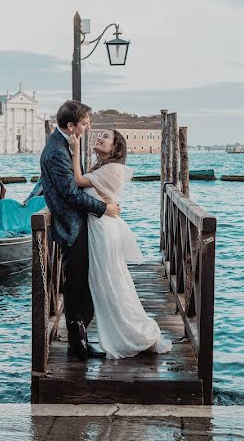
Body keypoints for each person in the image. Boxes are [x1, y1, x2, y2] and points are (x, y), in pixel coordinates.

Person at [70, 130, 172, 358]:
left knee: (112, 282)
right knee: (106, 283)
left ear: (115, 148)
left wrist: (75, 152)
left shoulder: (114, 169)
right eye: (98, 134)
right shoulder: (102, 168)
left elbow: (77, 181)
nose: (98, 137)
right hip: (99, 229)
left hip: (104, 232)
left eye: (105, 136)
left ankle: (138, 334)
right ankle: (118, 332)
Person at [39, 100, 121, 361]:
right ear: (71, 125)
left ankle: (80, 338)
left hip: (77, 224)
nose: (87, 128)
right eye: (85, 124)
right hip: (71, 226)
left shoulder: (63, 145)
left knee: (82, 284)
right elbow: (71, 194)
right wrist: (103, 208)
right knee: (76, 286)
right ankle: (78, 347)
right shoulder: (56, 151)